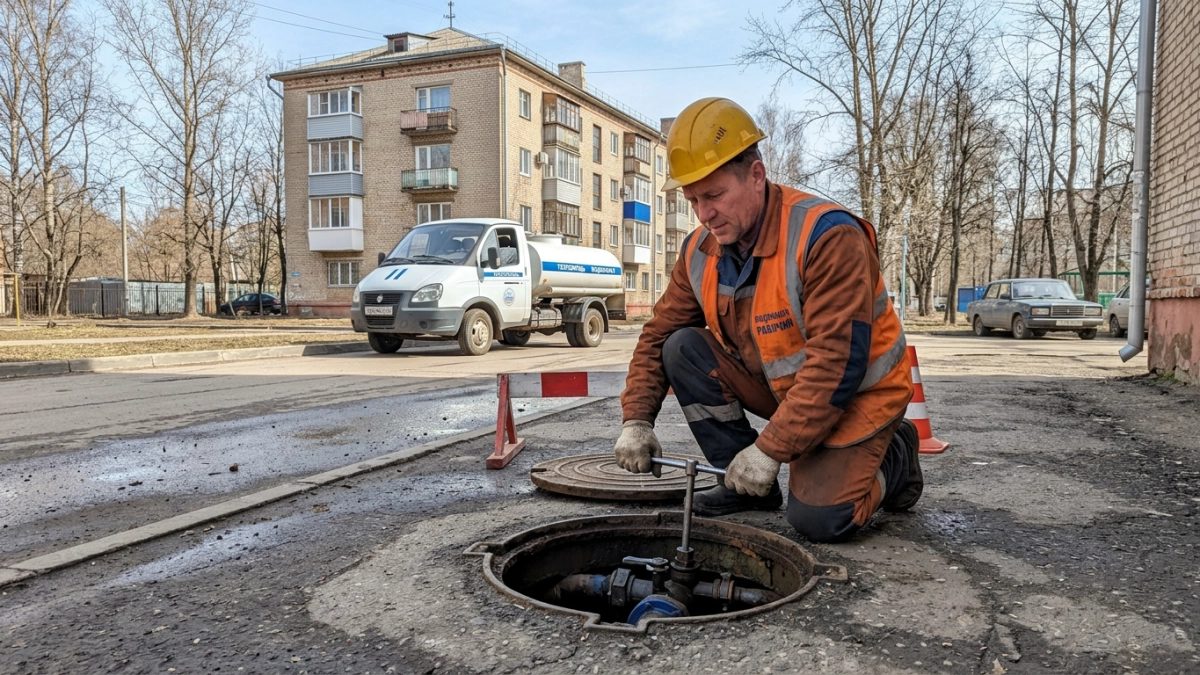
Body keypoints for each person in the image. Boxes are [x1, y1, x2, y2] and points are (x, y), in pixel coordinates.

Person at [613, 98, 922, 543]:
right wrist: (636, 420)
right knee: (681, 346)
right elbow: (657, 334)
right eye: (693, 199)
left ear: (756, 175)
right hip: (790, 392)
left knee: (820, 520)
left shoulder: (826, 236)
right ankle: (744, 487)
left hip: (857, 395)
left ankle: (896, 456)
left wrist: (770, 449)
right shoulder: (700, 250)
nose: (703, 214)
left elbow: (836, 365)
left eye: (714, 195)